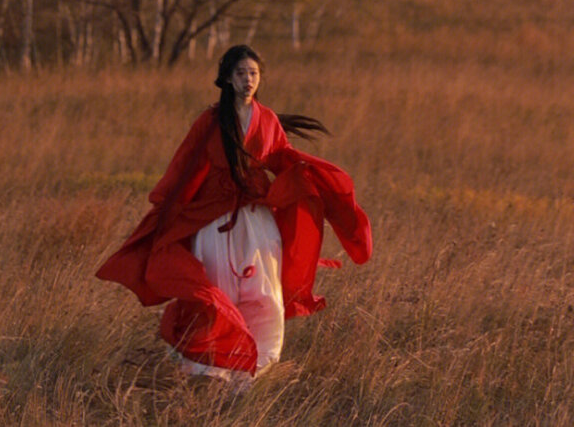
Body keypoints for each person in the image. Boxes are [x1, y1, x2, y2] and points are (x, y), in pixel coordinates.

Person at [95, 44, 372, 385]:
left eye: (253, 73)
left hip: (256, 220)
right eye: (241, 73)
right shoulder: (210, 121)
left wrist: (314, 179)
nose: (248, 79)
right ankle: (209, 368)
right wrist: (167, 209)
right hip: (214, 219)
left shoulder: (266, 119)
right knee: (217, 290)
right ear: (227, 78)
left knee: (263, 291)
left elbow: (280, 156)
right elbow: (185, 167)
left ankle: (259, 366)